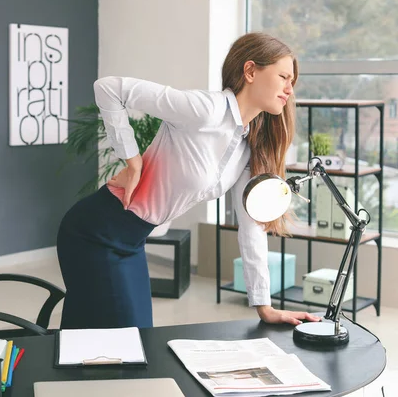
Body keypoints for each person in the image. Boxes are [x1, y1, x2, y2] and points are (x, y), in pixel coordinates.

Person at [56, 32, 321, 330]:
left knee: (125, 340)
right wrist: (132, 160)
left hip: (132, 241)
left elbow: (252, 228)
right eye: (284, 76)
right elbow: (109, 88)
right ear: (250, 71)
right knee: (123, 343)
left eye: (292, 81)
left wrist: (265, 306)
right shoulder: (204, 110)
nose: (289, 88)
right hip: (95, 231)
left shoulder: (248, 148)